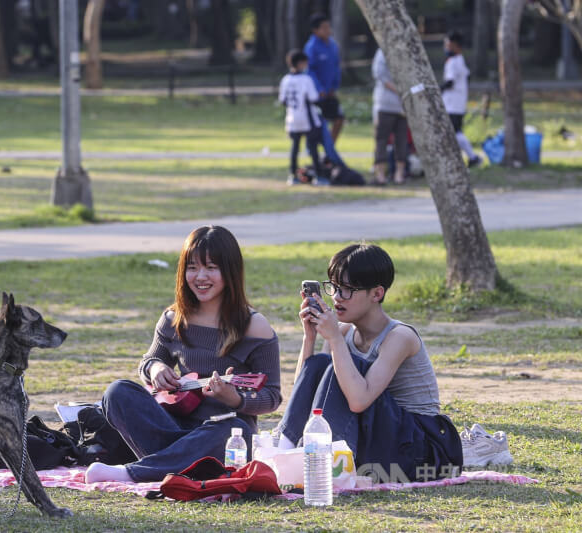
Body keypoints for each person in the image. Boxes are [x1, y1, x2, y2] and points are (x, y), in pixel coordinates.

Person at [85, 225, 282, 483]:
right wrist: (155, 369)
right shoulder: (173, 318)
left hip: (220, 433)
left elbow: (272, 396)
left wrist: (235, 399)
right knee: (117, 392)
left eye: (211, 267)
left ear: (230, 271)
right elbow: (149, 361)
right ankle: (175, 463)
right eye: (192, 267)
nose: (200, 276)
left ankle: (134, 472)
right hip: (173, 426)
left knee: (234, 431)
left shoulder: (255, 326)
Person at [274, 244, 462, 482]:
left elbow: (359, 400)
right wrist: (309, 337)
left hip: (419, 449)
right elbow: (308, 388)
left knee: (342, 368)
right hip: (381, 440)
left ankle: (317, 465)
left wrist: (333, 340)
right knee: (322, 363)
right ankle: (285, 452)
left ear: (377, 294)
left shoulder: (399, 337)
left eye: (348, 290)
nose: (337, 298)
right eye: (334, 287)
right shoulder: (341, 332)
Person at [279, 50, 325, 185]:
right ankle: (319, 176)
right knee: (313, 148)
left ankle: (292, 176)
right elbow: (313, 98)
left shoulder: (285, 80)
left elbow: (282, 100)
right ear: (300, 64)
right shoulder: (306, 79)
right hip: (307, 119)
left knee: (295, 148)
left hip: (292, 120)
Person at [442, 30, 482, 168]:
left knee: (454, 131)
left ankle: (472, 157)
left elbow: (450, 82)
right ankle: (468, 157)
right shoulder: (461, 60)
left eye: (448, 45)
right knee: (455, 131)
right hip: (458, 102)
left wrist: (436, 91)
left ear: (455, 46)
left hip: (452, 104)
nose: (446, 48)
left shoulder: (453, 62)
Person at [304, 13, 345, 146]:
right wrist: (319, 89)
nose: (328, 30)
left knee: (339, 118)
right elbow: (309, 71)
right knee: (317, 125)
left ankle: (329, 149)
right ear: (315, 30)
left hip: (330, 92)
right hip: (317, 94)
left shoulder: (332, 45)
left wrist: (334, 86)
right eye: (324, 28)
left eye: (329, 27)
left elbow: (336, 67)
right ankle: (313, 152)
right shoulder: (311, 47)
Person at [372, 48, 408, 185]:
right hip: (385, 103)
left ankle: (400, 173)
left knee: (401, 139)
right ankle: (380, 172)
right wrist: (398, 90)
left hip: (402, 105)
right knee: (382, 139)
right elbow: (380, 75)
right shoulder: (382, 53)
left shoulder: (403, 51)